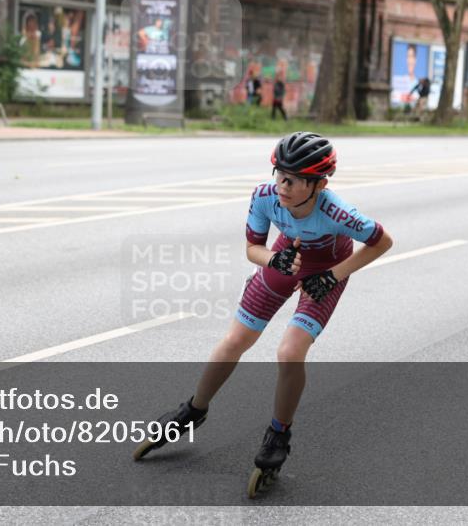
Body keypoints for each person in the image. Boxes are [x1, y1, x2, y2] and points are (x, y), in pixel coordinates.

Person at [135, 132, 394, 481]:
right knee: (234, 340)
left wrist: (333, 276)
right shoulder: (264, 196)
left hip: (328, 268)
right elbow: (252, 249)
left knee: (290, 353)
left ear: (320, 184)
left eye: (294, 179)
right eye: (279, 174)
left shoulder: (338, 212)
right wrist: (274, 259)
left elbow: (382, 242)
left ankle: (279, 434)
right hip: (286, 257)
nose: (282, 185)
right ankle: (194, 409)